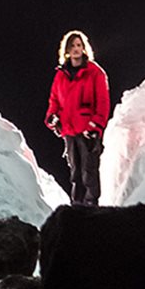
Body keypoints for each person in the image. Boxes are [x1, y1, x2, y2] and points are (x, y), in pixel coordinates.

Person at [44, 29, 111, 206]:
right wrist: (52, 117)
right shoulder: (61, 75)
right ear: (66, 49)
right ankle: (77, 209)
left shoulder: (95, 73)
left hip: (87, 130)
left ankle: (91, 210)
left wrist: (96, 126)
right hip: (68, 130)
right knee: (75, 175)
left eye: (79, 45)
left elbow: (102, 103)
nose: (76, 49)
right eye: (72, 45)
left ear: (84, 48)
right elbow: (54, 100)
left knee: (89, 173)